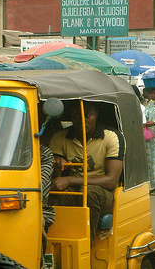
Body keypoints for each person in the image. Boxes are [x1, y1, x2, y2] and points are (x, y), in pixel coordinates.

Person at [49, 101, 123, 244]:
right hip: (74, 191)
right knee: (50, 195)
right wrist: (57, 167)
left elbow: (111, 181)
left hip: (103, 194)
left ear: (96, 115)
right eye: (76, 115)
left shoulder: (111, 136)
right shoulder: (60, 137)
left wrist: (70, 180)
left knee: (89, 192)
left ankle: (85, 248)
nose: (81, 120)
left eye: (87, 115)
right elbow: (56, 180)